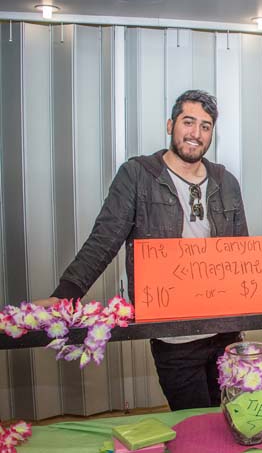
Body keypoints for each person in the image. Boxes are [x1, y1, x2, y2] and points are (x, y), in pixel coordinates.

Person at [34, 89, 249, 411]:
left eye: (205, 126)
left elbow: (243, 252)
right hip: (174, 335)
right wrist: (66, 294)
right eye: (188, 122)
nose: (196, 133)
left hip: (225, 332)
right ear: (170, 125)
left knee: (233, 418)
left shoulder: (225, 181)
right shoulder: (138, 175)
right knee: (193, 426)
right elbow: (104, 239)